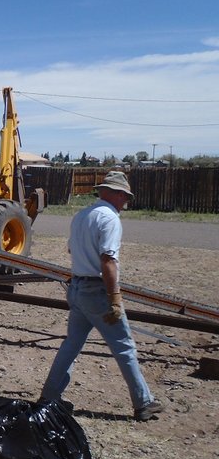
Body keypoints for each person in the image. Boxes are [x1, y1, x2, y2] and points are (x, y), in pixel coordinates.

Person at [40, 171, 163, 421]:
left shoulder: (81, 215)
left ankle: (49, 397)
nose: (125, 202)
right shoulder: (109, 219)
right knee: (124, 347)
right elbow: (108, 260)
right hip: (97, 292)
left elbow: (70, 248)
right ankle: (143, 403)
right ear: (116, 194)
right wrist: (114, 297)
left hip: (77, 288)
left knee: (71, 345)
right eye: (124, 196)